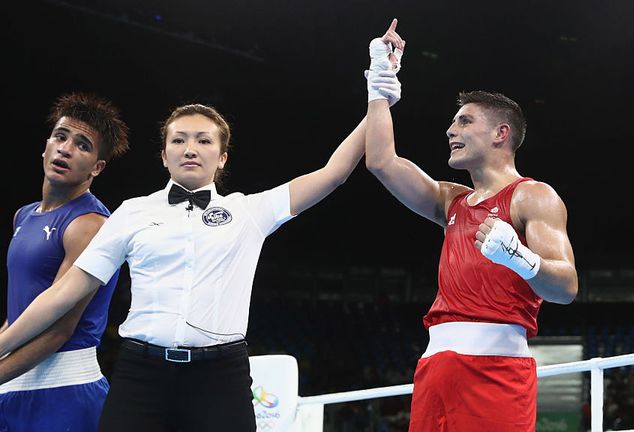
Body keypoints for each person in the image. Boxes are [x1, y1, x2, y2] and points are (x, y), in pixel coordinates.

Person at [0, 22, 403, 429]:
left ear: (223, 157)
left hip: (220, 378)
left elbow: (333, 172)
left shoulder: (250, 212)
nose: (190, 148)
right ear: (163, 155)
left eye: (204, 140)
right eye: (179, 140)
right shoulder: (131, 212)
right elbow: (61, 296)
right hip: (141, 376)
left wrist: (379, 92)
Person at [364, 23, 578, 431]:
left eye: (464, 122)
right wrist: (380, 83)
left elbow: (566, 287)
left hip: (496, 372)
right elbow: (381, 163)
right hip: (436, 368)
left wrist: (521, 259)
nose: (450, 130)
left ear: (501, 133)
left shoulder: (533, 196)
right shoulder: (451, 201)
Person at [0, 92, 129, 431]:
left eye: (83, 145)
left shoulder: (90, 224)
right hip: (15, 383)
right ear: (45, 146)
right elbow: (18, 313)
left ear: (97, 167)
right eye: (60, 136)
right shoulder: (24, 216)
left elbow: (59, 328)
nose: (66, 149)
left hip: (65, 394)